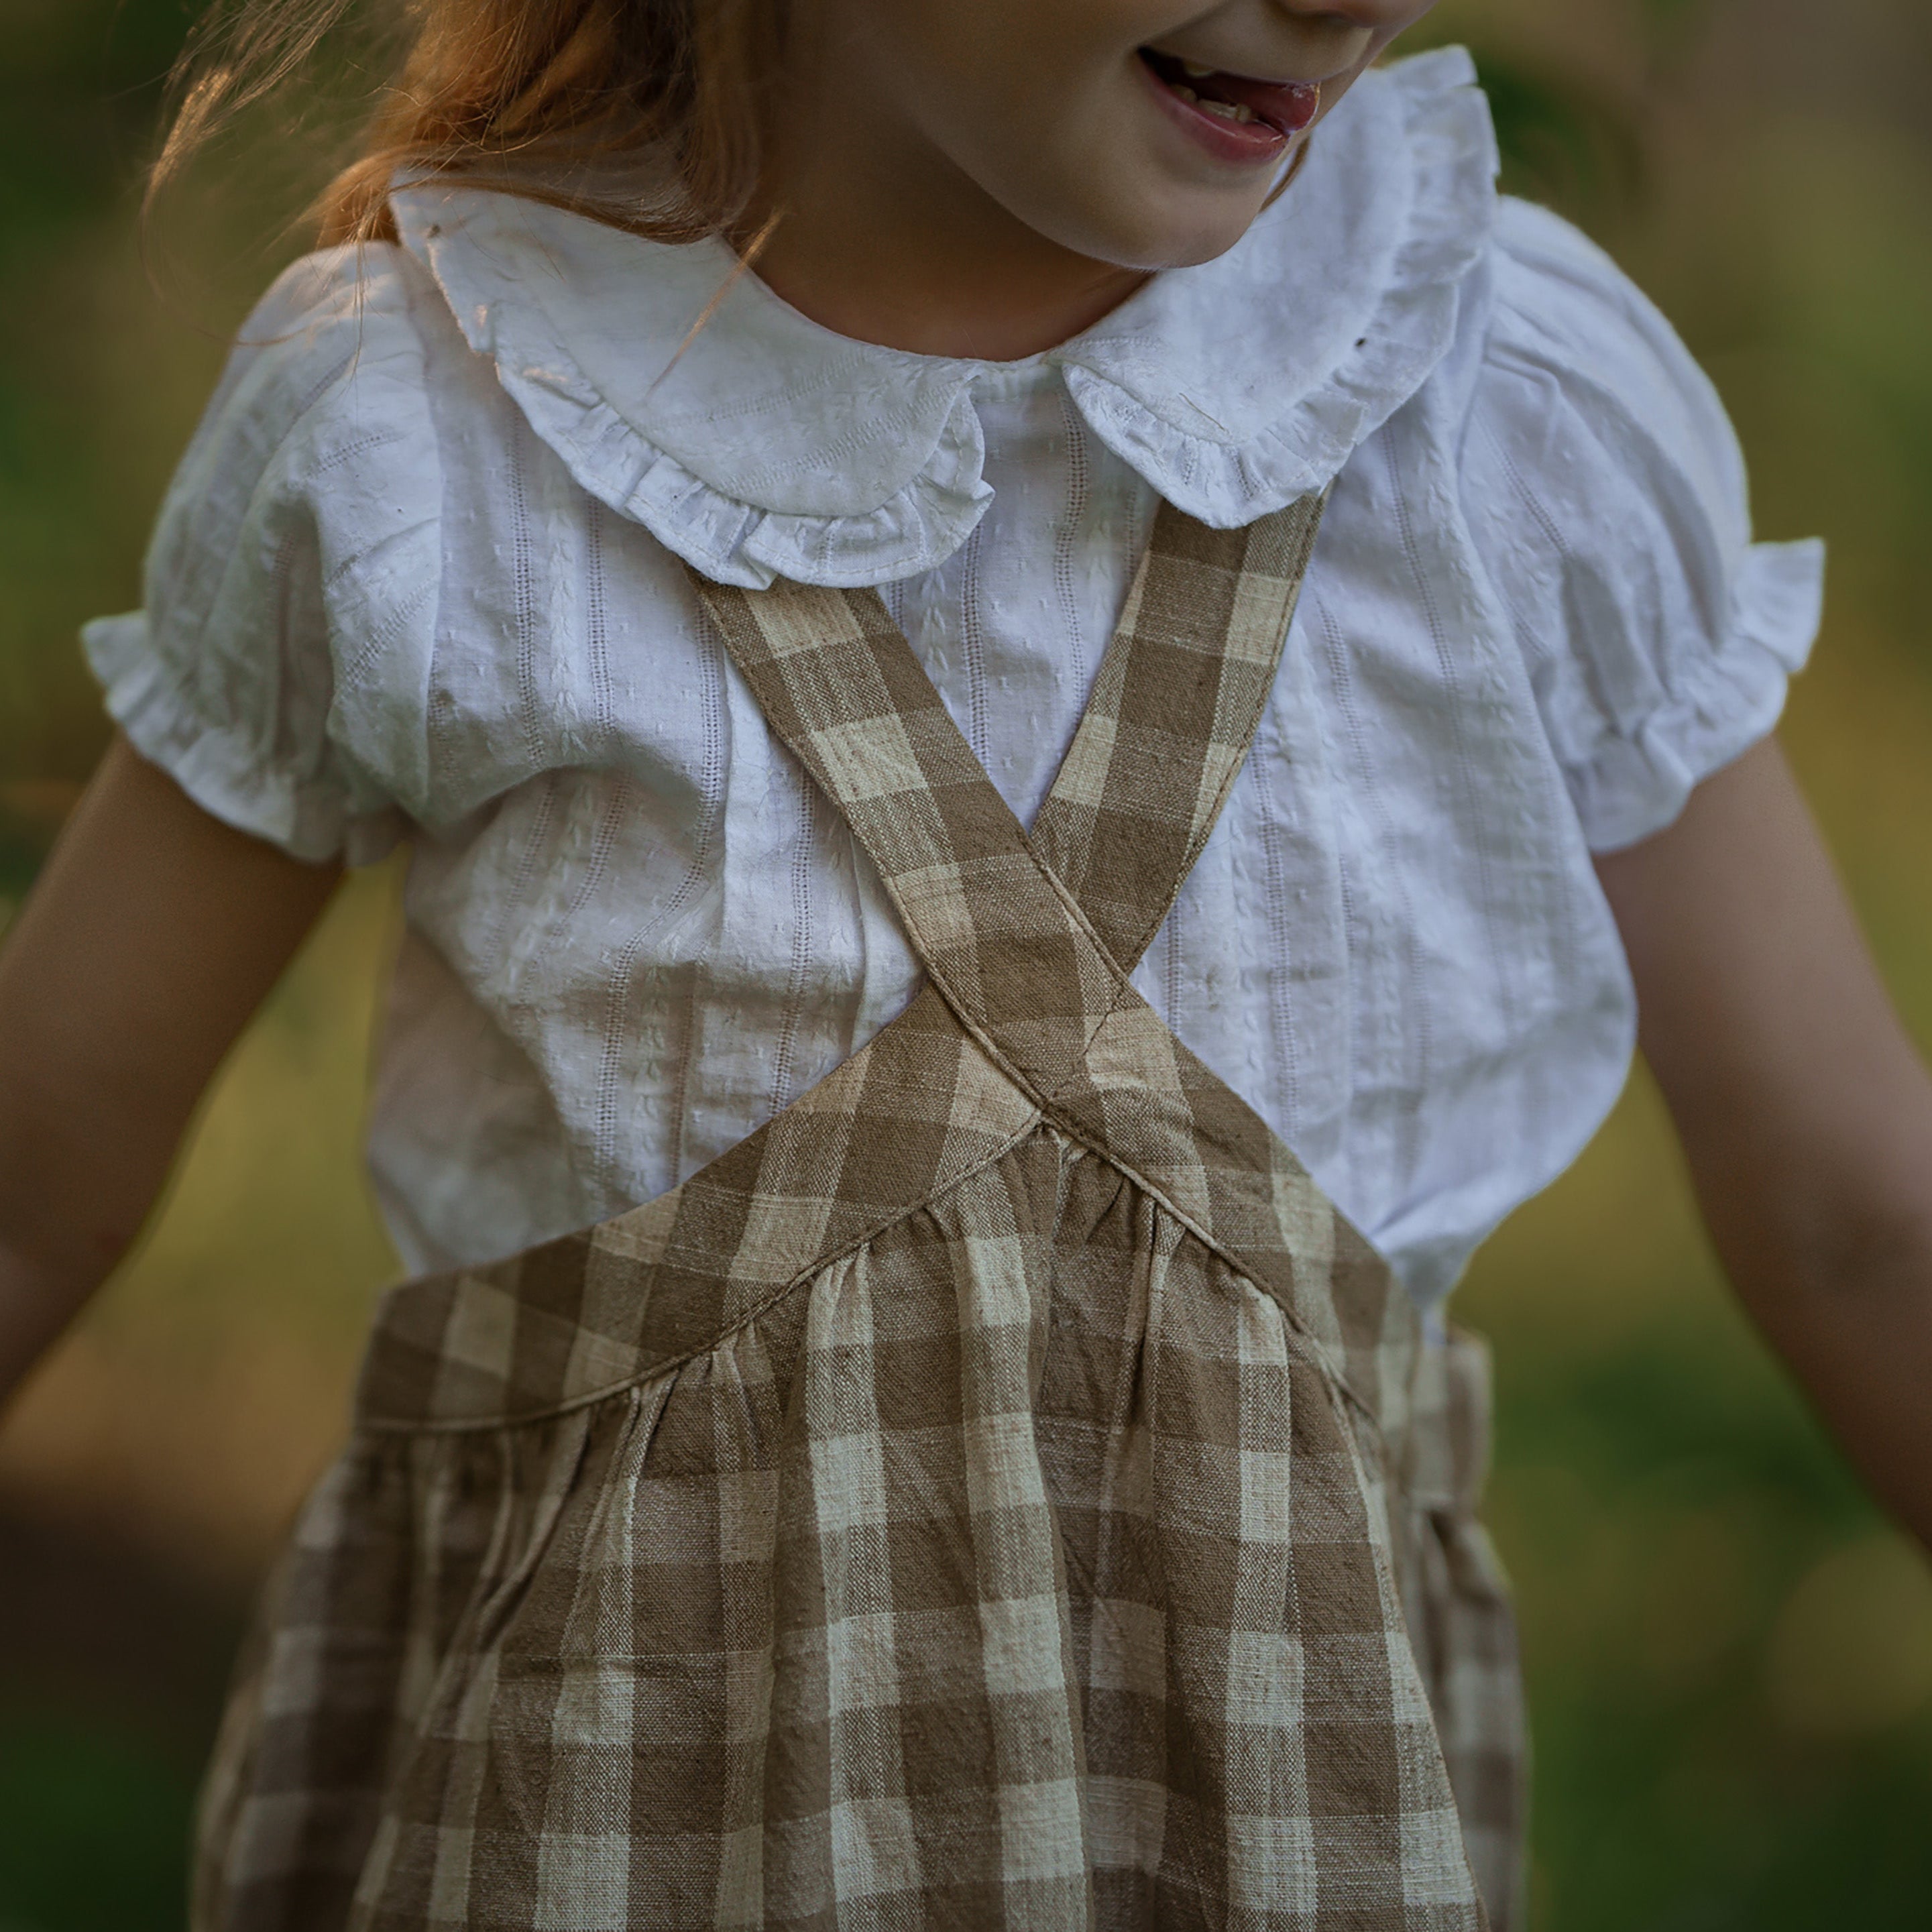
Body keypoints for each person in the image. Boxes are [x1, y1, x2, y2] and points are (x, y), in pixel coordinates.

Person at [2, 0, 1929, 1925]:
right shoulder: (422, 440)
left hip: (1268, 1840)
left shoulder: (1499, 401)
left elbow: (1857, 1219)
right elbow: (34, 1183)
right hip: (593, 1819)